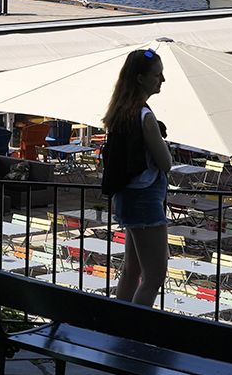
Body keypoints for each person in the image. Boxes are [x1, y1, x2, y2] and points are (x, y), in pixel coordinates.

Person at [99, 48, 170, 306]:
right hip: (146, 200)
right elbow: (166, 163)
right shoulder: (145, 117)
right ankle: (134, 333)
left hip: (127, 197)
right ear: (140, 78)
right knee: (154, 276)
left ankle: (118, 327)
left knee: (132, 271)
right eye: (157, 75)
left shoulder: (121, 113)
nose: (162, 80)